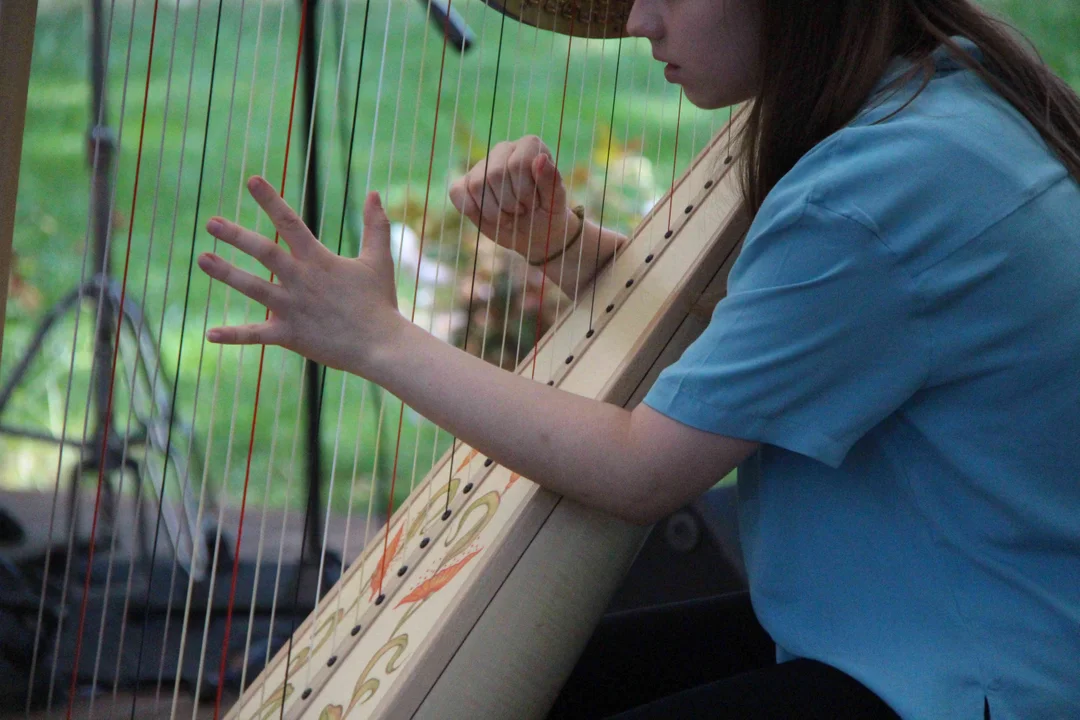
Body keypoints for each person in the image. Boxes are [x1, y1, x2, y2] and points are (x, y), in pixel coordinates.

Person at [197, 0, 1080, 717]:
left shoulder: (870, 195)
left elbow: (640, 469)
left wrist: (377, 341)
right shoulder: (938, 91)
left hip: (969, 678)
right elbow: (781, 335)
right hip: (934, 617)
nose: (634, 21)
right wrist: (566, 248)